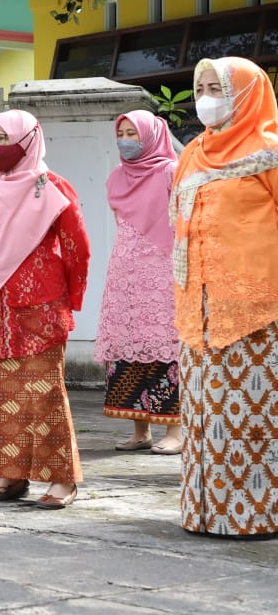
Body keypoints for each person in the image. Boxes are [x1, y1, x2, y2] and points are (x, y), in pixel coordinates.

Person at [172, 56, 278, 538]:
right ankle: (205, 513)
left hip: (260, 310)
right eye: (201, 89)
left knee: (255, 420)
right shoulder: (192, 152)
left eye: (218, 88)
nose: (207, 99)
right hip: (198, 306)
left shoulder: (270, 151)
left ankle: (258, 515)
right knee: (204, 413)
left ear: (247, 93)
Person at [0, 110, 90, 509]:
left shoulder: (51, 186)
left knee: (45, 392)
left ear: (28, 140)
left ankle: (62, 479)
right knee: (4, 390)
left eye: (4, 136)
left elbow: (78, 247)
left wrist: (70, 299)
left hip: (41, 303)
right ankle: (11, 474)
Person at [95, 111, 182, 454]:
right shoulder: (118, 176)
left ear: (153, 135)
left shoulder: (170, 172)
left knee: (165, 345)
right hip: (125, 274)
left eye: (134, 133)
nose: (127, 140)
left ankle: (174, 431)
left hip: (163, 273)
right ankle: (140, 430)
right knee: (128, 345)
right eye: (123, 133)